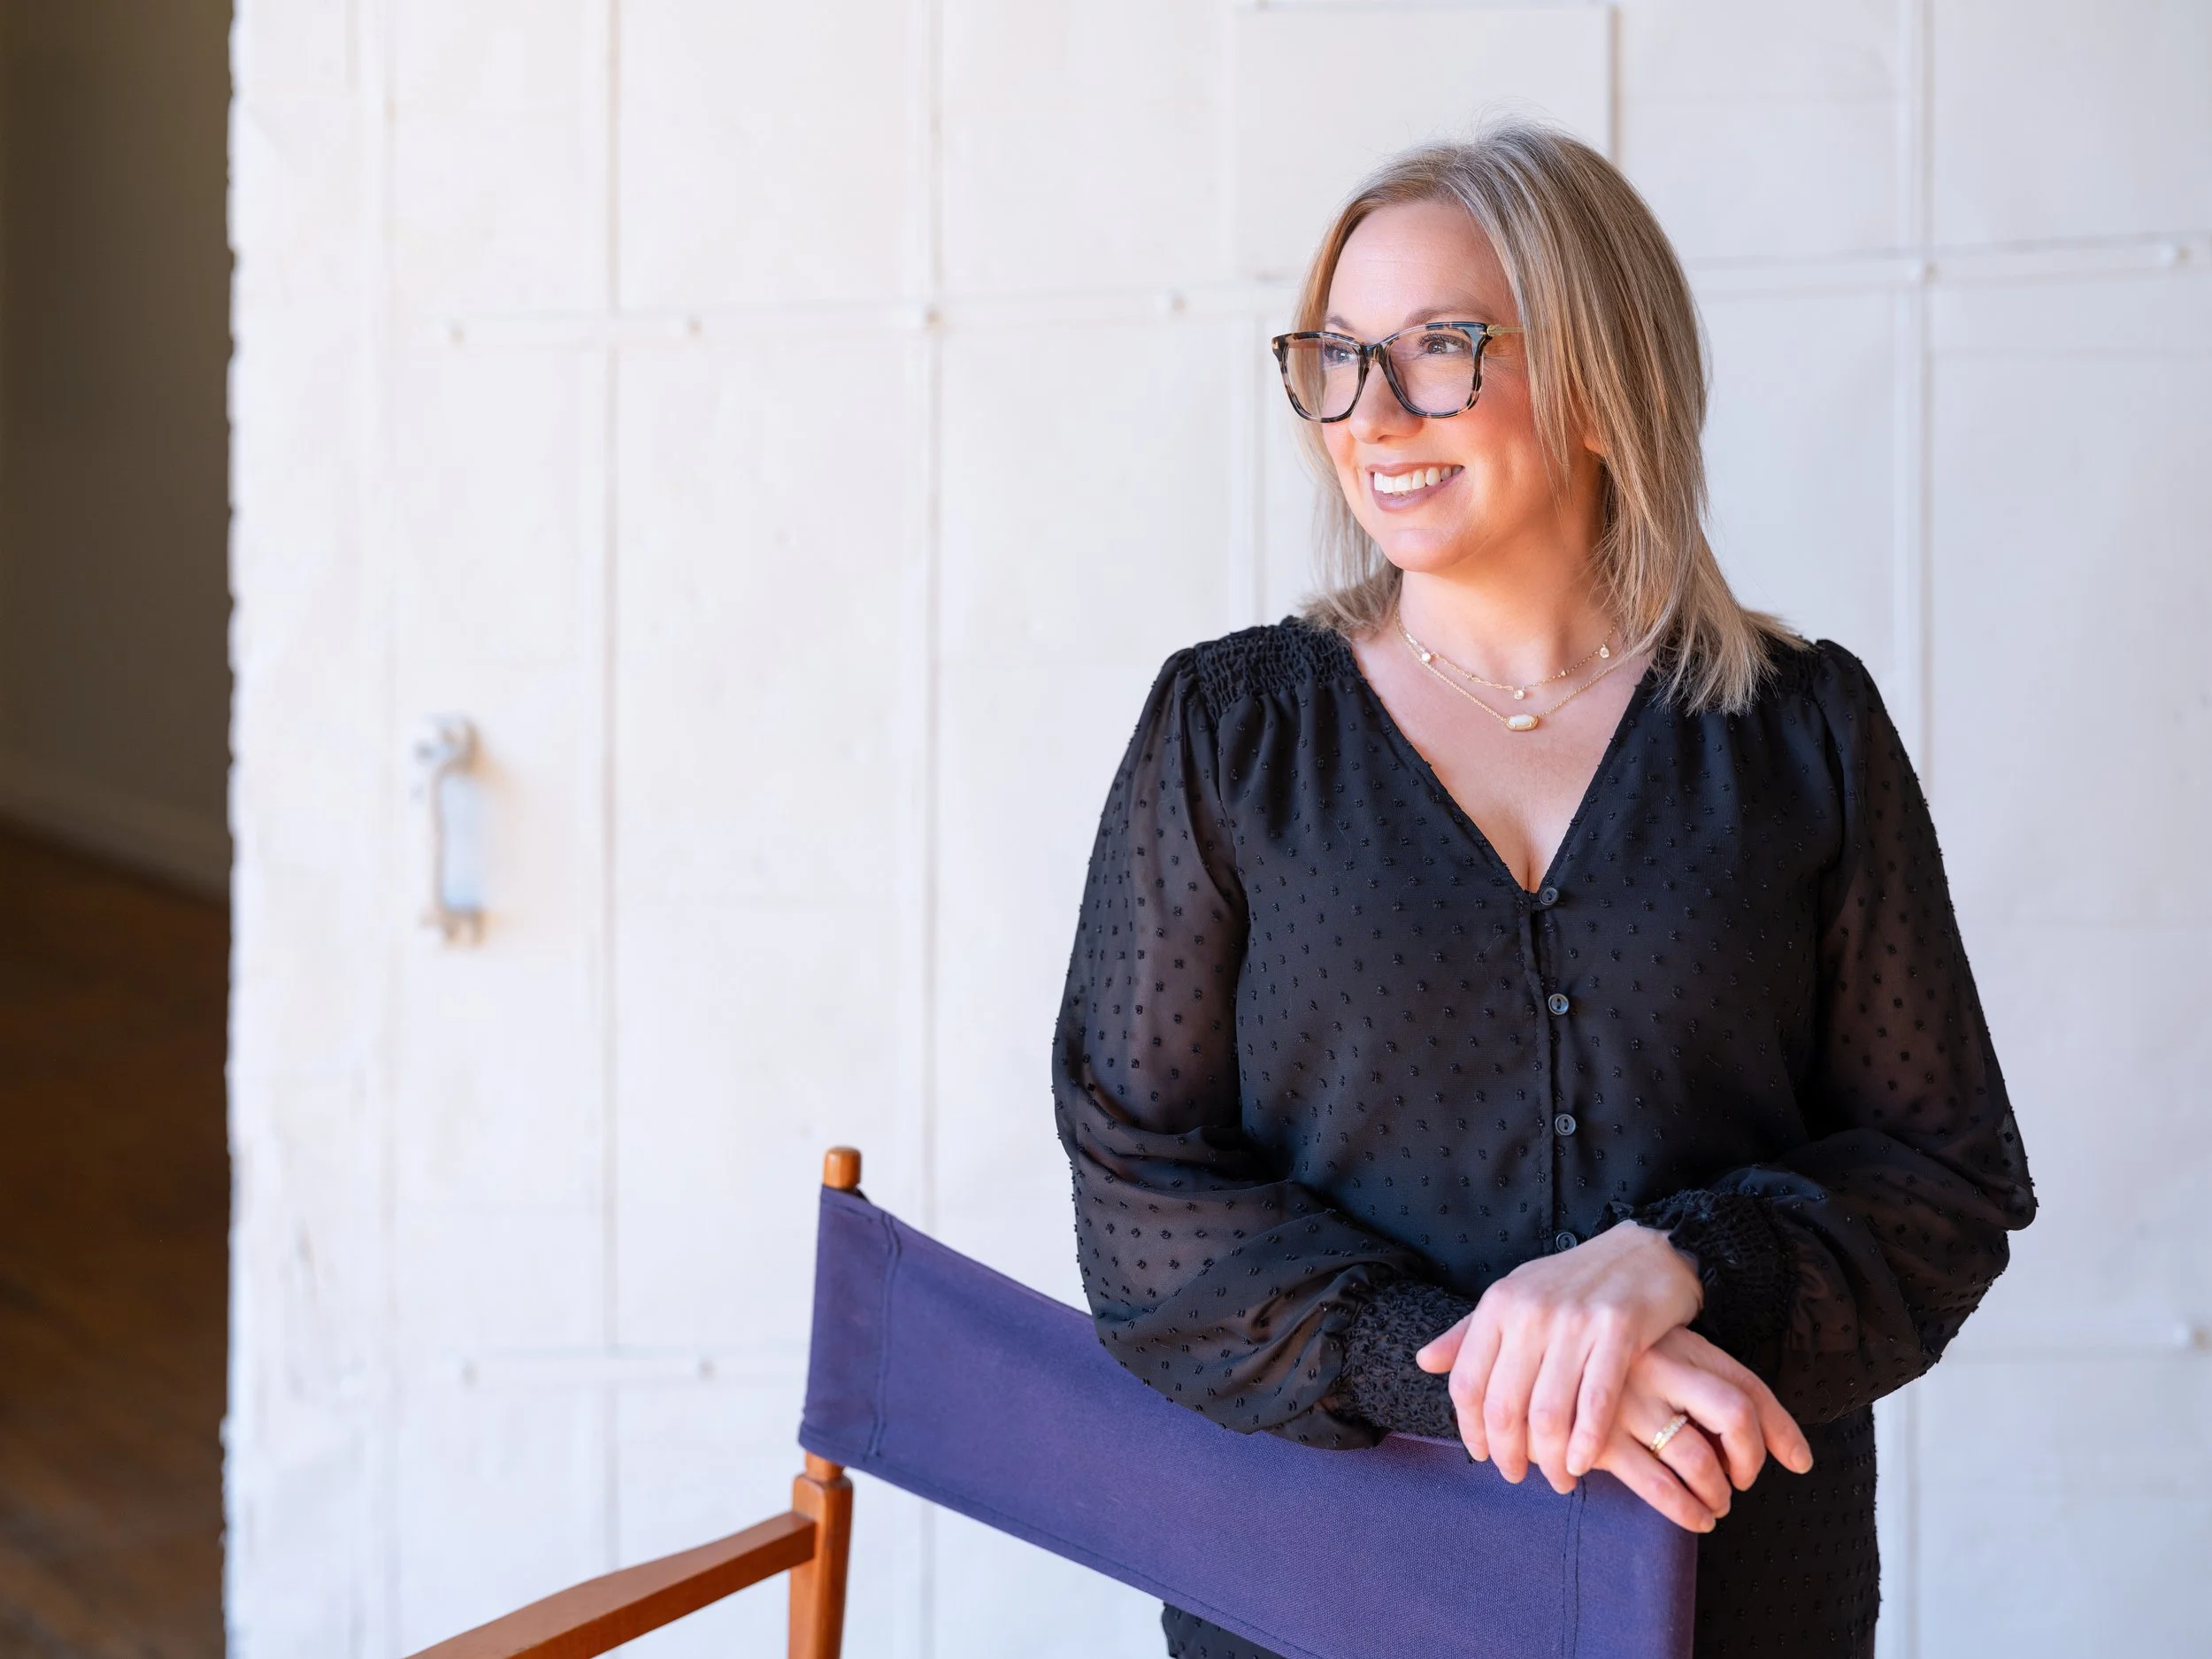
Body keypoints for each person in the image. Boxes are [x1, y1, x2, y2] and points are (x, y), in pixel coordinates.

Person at [1051, 125, 2035, 1659]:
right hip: (1323, 1580)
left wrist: (1683, 1265)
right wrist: (1462, 1369)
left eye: (1442, 350)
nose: (1371, 416)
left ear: (1598, 367)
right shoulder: (1228, 731)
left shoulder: (1804, 729)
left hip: (1731, 1591)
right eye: (1337, 355)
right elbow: (1139, 1197)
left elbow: (1945, 1175)